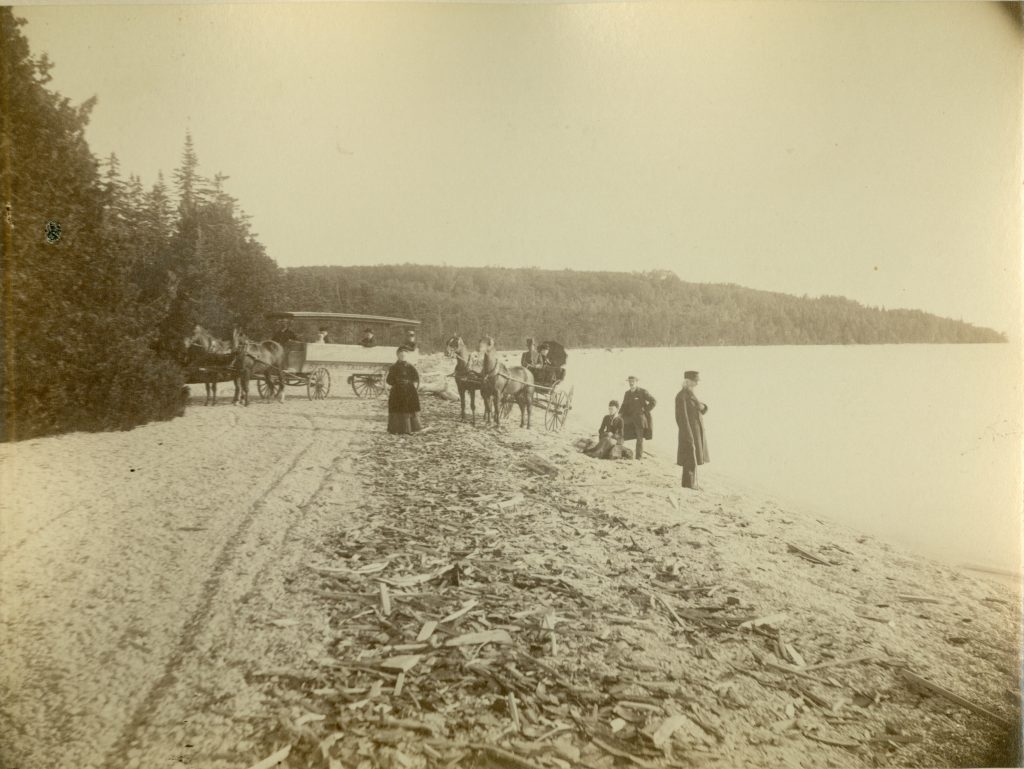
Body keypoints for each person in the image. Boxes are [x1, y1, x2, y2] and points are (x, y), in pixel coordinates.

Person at [675, 370, 709, 489]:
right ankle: (689, 484)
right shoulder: (682, 396)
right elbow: (682, 418)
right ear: (688, 382)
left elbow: (700, 408)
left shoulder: (691, 394)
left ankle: (690, 483)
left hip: (695, 431)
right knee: (690, 457)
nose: (697, 384)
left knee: (693, 457)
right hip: (689, 432)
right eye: (695, 381)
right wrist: (688, 435)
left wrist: (704, 406)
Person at [386, 348, 422, 434]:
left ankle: (411, 428)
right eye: (401, 355)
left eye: (404, 355)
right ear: (397, 356)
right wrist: (397, 382)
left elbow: (416, 378)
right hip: (397, 391)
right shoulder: (393, 367)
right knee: (397, 408)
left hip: (409, 391)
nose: (402, 356)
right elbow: (389, 380)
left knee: (409, 407)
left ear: (407, 356)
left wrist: (408, 382)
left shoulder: (410, 366)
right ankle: (396, 429)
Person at [620, 375, 656, 460]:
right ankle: (618, 452)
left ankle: (638, 458)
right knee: (621, 433)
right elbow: (624, 405)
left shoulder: (642, 392)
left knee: (639, 439)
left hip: (640, 420)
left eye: (633, 381)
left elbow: (653, 401)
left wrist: (645, 410)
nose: (631, 383)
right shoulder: (627, 393)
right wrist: (620, 414)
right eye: (630, 381)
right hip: (629, 419)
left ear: (636, 382)